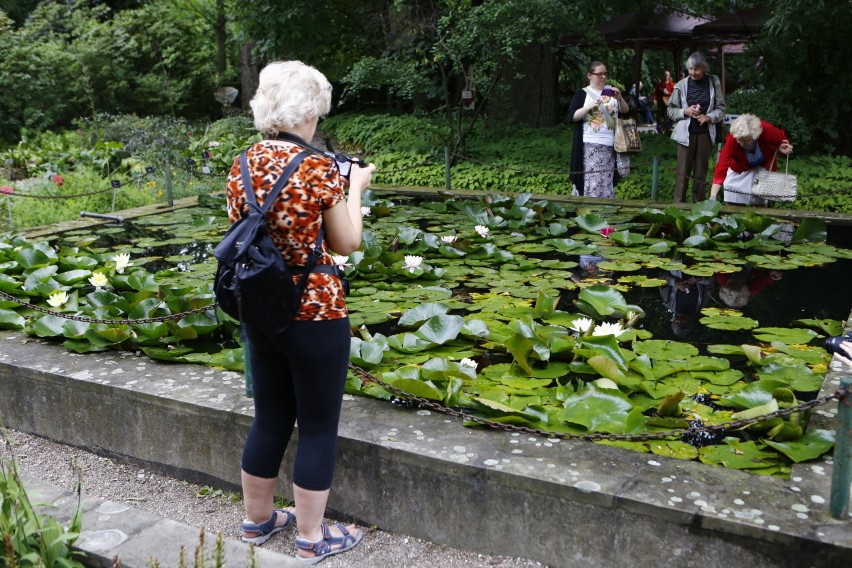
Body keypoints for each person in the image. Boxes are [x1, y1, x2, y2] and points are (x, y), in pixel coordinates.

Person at [226, 60, 375, 561]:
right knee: (315, 426)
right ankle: (312, 539)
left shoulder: (242, 162)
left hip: (260, 307)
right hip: (314, 311)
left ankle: (257, 521)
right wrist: (355, 188)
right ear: (310, 109)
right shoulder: (317, 166)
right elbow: (347, 242)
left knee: (269, 418)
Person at [667, 52, 726, 203]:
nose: (693, 72)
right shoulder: (680, 86)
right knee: (682, 175)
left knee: (700, 176)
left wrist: (709, 117)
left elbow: (721, 109)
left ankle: (699, 212)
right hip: (685, 135)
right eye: (690, 69)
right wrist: (685, 111)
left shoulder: (713, 82)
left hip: (705, 134)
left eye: (696, 69)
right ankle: (678, 212)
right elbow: (670, 110)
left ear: (704, 68)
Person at [567, 61, 630, 198]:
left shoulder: (611, 92)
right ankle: (590, 211)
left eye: (605, 74)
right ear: (589, 75)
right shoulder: (582, 94)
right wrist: (589, 106)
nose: (603, 77)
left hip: (611, 145)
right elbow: (572, 117)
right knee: (592, 182)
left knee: (606, 181)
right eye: (599, 74)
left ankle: (605, 212)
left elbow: (625, 111)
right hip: (590, 144)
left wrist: (620, 98)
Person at [709, 114, 794, 205]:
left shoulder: (766, 129)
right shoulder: (732, 139)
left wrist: (781, 145)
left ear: (754, 136)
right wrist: (712, 197)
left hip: (763, 166)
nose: (741, 143)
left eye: (745, 140)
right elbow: (722, 166)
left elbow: (781, 138)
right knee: (730, 187)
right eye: (739, 140)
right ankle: (732, 210)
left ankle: (760, 214)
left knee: (761, 193)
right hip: (740, 167)